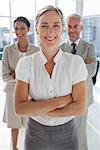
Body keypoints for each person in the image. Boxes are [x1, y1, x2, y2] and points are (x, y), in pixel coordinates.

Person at [14, 6, 88, 150]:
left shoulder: (76, 63)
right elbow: (19, 109)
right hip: (35, 134)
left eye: (56, 25)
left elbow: (79, 108)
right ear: (36, 29)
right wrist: (61, 102)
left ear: (62, 29)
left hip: (67, 134)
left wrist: (35, 108)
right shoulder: (25, 64)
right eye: (44, 25)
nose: (50, 31)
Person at [2, 16, 39, 150]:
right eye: (17, 28)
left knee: (31, 126)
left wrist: (16, 74)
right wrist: (24, 77)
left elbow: (37, 76)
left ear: (28, 29)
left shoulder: (36, 51)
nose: (19, 31)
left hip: (30, 94)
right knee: (14, 127)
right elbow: (5, 76)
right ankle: (14, 148)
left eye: (22, 28)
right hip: (12, 93)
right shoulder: (7, 50)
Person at [60, 14, 97, 150]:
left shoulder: (89, 47)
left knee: (80, 131)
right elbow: (59, 73)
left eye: (75, 26)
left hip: (84, 96)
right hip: (64, 96)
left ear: (81, 27)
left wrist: (69, 66)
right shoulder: (60, 48)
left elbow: (91, 71)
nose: (72, 30)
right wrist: (82, 62)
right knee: (65, 131)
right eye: (69, 26)